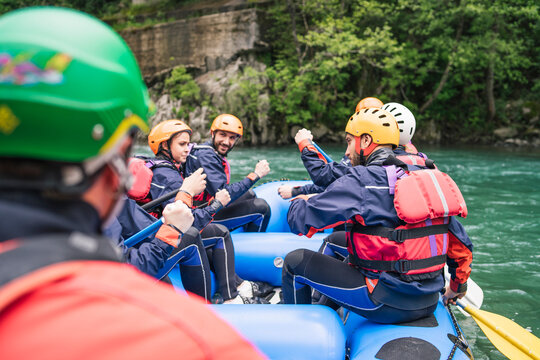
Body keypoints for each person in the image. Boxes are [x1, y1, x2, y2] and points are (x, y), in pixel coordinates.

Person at [0, 7, 263, 359]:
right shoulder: (204, 345)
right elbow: (131, 260)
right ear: (117, 160)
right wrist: (179, 221)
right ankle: (221, 297)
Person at [282, 107, 473, 324]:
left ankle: (299, 334)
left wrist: (299, 202)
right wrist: (457, 287)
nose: (346, 152)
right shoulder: (430, 176)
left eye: (348, 141)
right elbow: (462, 246)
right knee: (341, 244)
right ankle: (324, 309)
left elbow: (299, 222)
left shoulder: (361, 179)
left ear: (365, 141)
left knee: (295, 261)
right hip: (429, 300)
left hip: (384, 302)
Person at [137, 119, 264, 303]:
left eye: (188, 144)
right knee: (220, 234)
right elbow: (187, 222)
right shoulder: (169, 177)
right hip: (160, 238)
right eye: (181, 144)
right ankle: (231, 295)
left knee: (211, 236)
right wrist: (215, 206)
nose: (187, 149)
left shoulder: (162, 168)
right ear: (164, 145)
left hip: (157, 231)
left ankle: (236, 284)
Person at [185, 114, 271, 232]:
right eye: (223, 135)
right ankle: (252, 244)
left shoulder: (210, 151)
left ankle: (243, 233)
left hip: (208, 204)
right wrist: (255, 175)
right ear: (213, 133)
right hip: (201, 214)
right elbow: (224, 192)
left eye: (232, 138)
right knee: (262, 207)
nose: (226, 142)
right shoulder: (206, 156)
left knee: (250, 194)